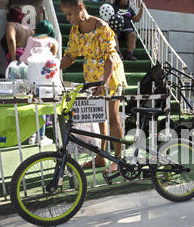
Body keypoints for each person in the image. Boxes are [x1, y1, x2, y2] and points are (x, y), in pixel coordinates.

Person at [60, 0, 127, 171]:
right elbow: (70, 56)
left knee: (112, 118)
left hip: (109, 76)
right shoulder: (75, 31)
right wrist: (52, 67)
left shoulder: (101, 27)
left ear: (80, 8)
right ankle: (100, 157)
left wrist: (104, 82)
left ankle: (117, 160)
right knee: (99, 118)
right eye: (66, 15)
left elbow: (111, 58)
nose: (68, 18)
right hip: (92, 76)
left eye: (70, 14)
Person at [21, 20, 59, 146]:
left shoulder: (31, 39)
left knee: (33, 106)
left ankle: (32, 136)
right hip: (46, 79)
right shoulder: (52, 41)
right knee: (43, 107)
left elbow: (25, 58)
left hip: (31, 77)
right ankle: (41, 136)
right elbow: (54, 60)